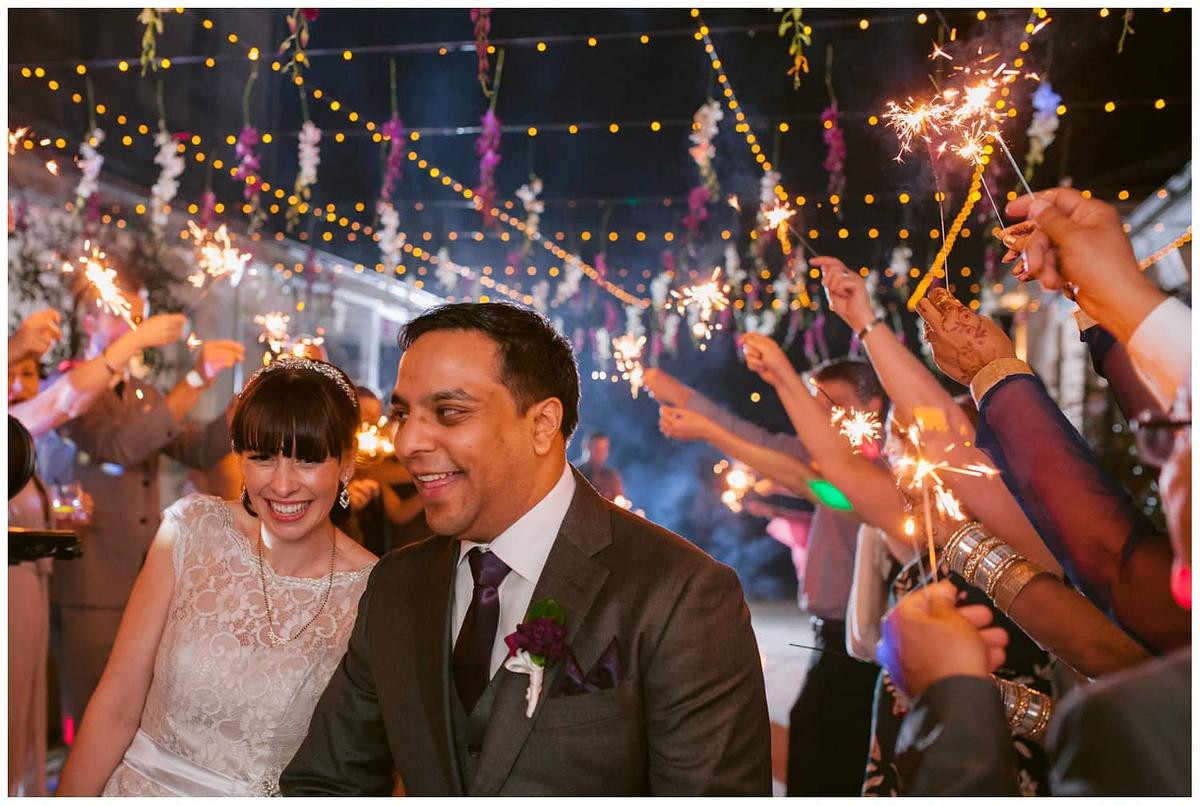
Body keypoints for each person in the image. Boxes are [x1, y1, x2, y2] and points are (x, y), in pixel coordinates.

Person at [282, 302, 771, 795]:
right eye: (403, 414)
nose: (407, 442)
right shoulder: (395, 584)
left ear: (542, 424)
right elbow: (326, 783)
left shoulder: (680, 595)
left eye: (448, 412)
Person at [56, 356, 379, 796]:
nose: (282, 486)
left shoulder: (371, 591)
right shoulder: (191, 530)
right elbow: (116, 704)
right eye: (262, 458)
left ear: (345, 463)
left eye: (306, 462)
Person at [646, 362, 885, 796]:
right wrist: (681, 394)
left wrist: (719, 430)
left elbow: (820, 488)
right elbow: (764, 448)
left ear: (874, 408)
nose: (823, 423)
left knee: (829, 769)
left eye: (834, 408)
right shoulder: (820, 461)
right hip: (828, 641)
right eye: (815, 410)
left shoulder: (881, 476)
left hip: (862, 653)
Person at [45, 280, 246, 736]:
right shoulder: (70, 387)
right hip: (90, 578)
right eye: (121, 315)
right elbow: (120, 446)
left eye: (139, 316)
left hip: (143, 576)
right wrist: (196, 378)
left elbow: (198, 449)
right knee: (90, 707)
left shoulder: (146, 394)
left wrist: (244, 402)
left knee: (137, 709)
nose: (135, 326)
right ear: (91, 322)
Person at [7, 306, 183, 796]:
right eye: (12, 371)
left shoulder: (19, 430)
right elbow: (68, 403)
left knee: (22, 712)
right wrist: (135, 341)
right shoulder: (35, 413)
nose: (18, 382)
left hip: (33, 585)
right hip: (30, 588)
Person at [344, 385, 426, 556]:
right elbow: (398, 512)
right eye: (362, 419)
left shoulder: (386, 456)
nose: (369, 427)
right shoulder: (345, 460)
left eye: (373, 419)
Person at [576, 430, 624, 501]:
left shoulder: (612, 477)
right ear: (586, 446)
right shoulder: (574, 473)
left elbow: (619, 501)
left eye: (604, 449)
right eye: (596, 448)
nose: (600, 453)